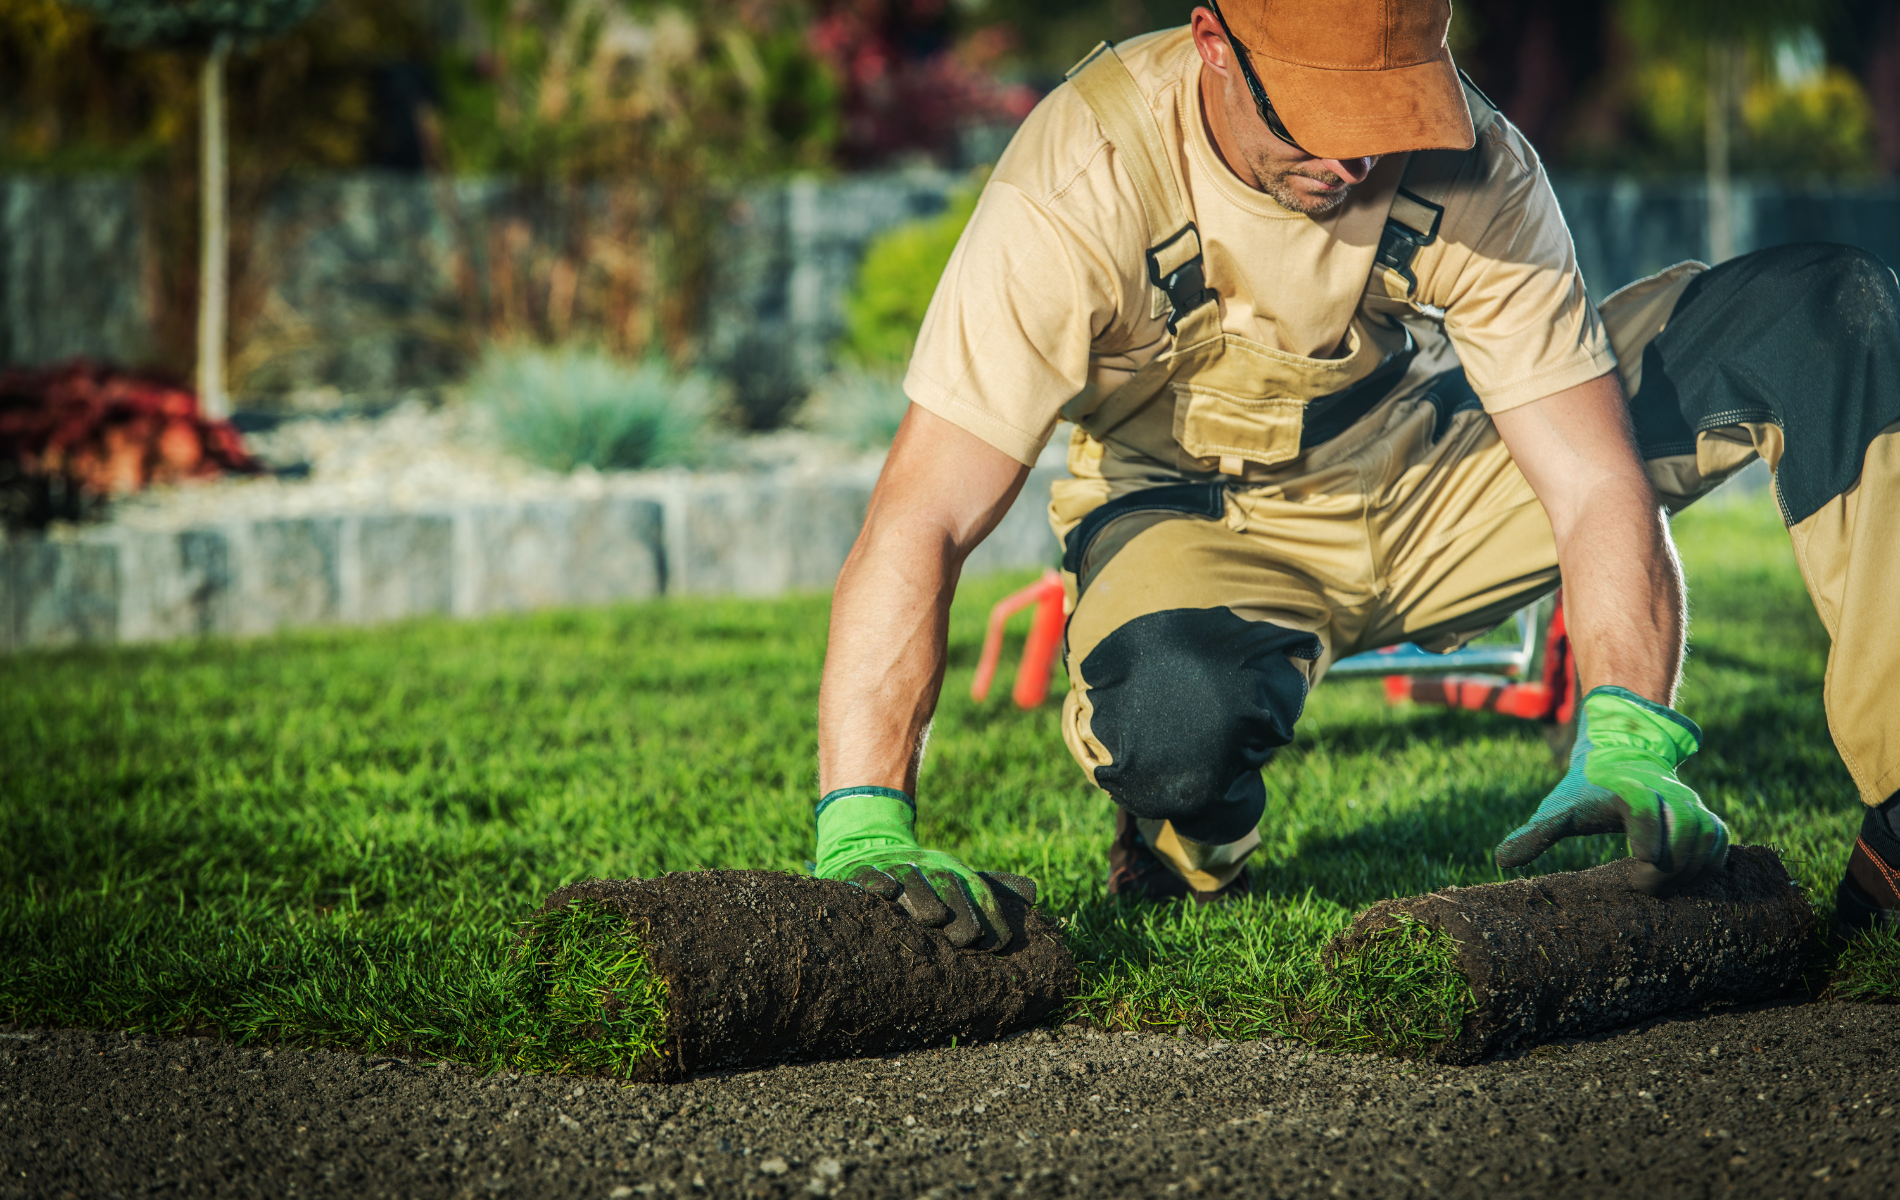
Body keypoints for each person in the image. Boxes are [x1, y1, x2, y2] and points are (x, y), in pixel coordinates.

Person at [808, 0, 1900, 949]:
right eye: (1319, 119)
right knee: (1176, 728)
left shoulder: (1479, 161)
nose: (1350, 164)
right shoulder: (1080, 175)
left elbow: (1589, 480)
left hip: (1429, 470)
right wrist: (863, 815)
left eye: (1384, 119)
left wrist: (1626, 732)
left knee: (1825, 309)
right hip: (1196, 516)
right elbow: (925, 516)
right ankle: (1189, 833)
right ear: (1212, 46)